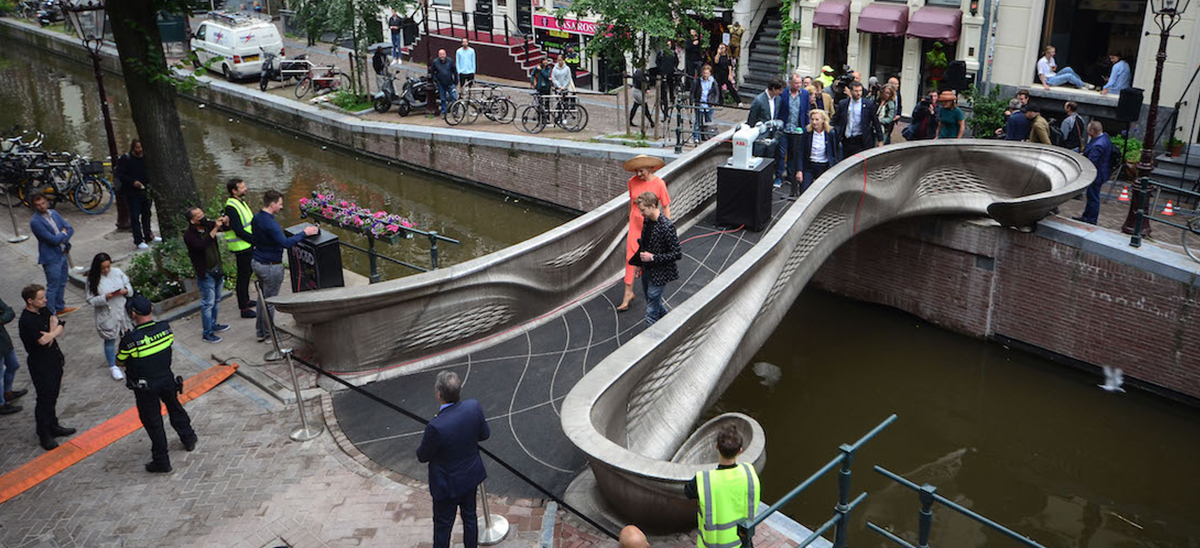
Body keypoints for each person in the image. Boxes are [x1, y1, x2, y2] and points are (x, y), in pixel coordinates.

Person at [117, 295, 197, 473]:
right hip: (167, 379)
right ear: (151, 309)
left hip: (145, 387)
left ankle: (162, 461)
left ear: (133, 314)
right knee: (175, 407)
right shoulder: (165, 328)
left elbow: (119, 361)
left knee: (153, 422)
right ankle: (189, 438)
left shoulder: (129, 340)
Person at [416, 370, 490, 548]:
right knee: (470, 517)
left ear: (439, 394)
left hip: (447, 485)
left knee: (443, 527)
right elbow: (484, 434)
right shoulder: (473, 407)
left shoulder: (436, 427)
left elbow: (422, 456)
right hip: (470, 477)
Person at [251, 190, 319, 342]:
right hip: (270, 266)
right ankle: (269, 334)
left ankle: (260, 331)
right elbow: (286, 243)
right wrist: (305, 232)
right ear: (273, 204)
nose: (281, 207)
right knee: (270, 301)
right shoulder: (271, 224)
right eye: (280, 204)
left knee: (262, 298)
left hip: (257, 262)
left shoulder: (257, 218)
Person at [684, 425, 761, 548]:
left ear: (717, 447)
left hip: (714, 545)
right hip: (742, 541)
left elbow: (688, 492)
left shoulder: (704, 480)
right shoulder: (749, 472)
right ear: (740, 450)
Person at [18, 284, 74, 450]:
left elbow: (60, 323)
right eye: (41, 298)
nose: (45, 300)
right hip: (40, 365)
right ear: (30, 301)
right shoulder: (26, 321)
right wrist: (52, 330)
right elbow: (43, 343)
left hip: (54, 360)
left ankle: (53, 425)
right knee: (44, 399)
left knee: (53, 395)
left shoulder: (43, 310)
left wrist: (51, 333)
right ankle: (44, 433)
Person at [618, 155, 671, 312]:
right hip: (635, 224)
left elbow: (666, 206)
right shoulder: (632, 182)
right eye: (636, 171)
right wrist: (629, 217)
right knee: (630, 258)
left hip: (651, 226)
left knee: (650, 259)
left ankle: (653, 294)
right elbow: (631, 201)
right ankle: (628, 293)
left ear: (649, 168)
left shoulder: (659, 184)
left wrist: (666, 227)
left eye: (641, 171)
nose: (638, 174)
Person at [183, 206, 231, 344]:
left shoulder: (208, 225)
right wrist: (215, 229)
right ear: (192, 221)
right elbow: (201, 246)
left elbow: (226, 229)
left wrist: (225, 222)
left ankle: (214, 324)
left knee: (216, 299)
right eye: (198, 216)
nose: (202, 217)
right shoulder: (189, 235)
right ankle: (207, 332)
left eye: (202, 213)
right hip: (206, 272)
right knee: (208, 303)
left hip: (217, 269)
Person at [633, 192, 680, 326]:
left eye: (643, 210)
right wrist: (639, 264)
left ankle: (652, 339)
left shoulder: (666, 226)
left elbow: (677, 253)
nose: (641, 213)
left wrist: (652, 257)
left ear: (653, 206)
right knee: (653, 301)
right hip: (647, 270)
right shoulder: (647, 221)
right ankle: (670, 324)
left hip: (660, 273)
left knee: (651, 310)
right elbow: (644, 244)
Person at [85, 252, 132, 381]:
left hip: (121, 309)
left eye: (108, 267)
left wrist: (126, 291)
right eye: (103, 268)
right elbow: (90, 300)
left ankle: (127, 357)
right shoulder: (92, 280)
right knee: (110, 339)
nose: (106, 270)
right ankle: (113, 365)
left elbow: (128, 286)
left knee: (127, 335)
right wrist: (104, 298)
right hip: (106, 312)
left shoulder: (117, 272)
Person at [28, 194, 77, 317]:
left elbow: (69, 228)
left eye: (43, 203)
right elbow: (52, 240)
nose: (41, 206)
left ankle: (60, 307)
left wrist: (62, 236)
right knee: (53, 286)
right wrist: (62, 234)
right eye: (38, 205)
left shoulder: (54, 213)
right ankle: (50, 313)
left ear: (47, 202)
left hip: (62, 253)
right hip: (51, 258)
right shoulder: (35, 222)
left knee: (62, 282)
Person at [115, 138, 160, 249]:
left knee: (147, 214)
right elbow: (120, 175)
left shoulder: (146, 158)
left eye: (141, 147)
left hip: (145, 190)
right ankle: (138, 240)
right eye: (137, 148)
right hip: (132, 193)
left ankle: (148, 235)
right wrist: (132, 182)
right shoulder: (126, 159)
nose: (140, 150)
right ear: (133, 148)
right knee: (135, 216)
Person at [223, 178, 256, 319]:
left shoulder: (239, 202)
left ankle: (246, 300)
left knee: (247, 273)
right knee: (243, 277)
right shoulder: (231, 207)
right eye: (242, 187)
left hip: (246, 245)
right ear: (234, 191)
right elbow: (238, 230)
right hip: (242, 246)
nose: (245, 189)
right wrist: (255, 240)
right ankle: (243, 308)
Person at [777, 72, 811, 188]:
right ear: (790, 83)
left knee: (794, 153)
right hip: (785, 129)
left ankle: (791, 176)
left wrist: (807, 126)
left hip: (797, 130)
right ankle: (779, 176)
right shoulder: (784, 94)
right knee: (781, 153)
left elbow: (806, 111)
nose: (798, 85)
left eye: (800, 83)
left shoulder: (805, 94)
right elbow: (780, 109)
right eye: (796, 83)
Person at [796, 109, 842, 196]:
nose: (814, 122)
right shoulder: (807, 133)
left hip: (824, 166)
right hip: (809, 166)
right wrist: (799, 170)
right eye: (812, 119)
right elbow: (801, 152)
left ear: (823, 120)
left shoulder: (830, 134)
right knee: (804, 192)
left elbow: (835, 152)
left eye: (817, 119)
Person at [1075, 121, 1112, 225]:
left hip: (1097, 175)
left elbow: (1091, 162)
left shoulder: (1098, 145)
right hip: (1102, 172)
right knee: (1092, 195)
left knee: (1093, 197)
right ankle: (1086, 216)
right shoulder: (1105, 137)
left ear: (1092, 131)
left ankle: (1091, 219)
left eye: (1088, 129)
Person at [833, 81, 881, 157]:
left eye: (860, 91)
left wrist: (880, 139)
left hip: (861, 139)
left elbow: (875, 122)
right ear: (851, 91)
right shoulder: (843, 104)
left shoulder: (868, 104)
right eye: (856, 91)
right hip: (847, 139)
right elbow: (835, 119)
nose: (858, 93)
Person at [0, 297, 28, 416]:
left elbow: (9, 311)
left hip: (3, 340)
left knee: (13, 365)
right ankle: (1, 404)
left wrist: (1, 320)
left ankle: (7, 392)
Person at [691, 64, 721, 143]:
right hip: (700, 103)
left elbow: (716, 93)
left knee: (709, 121)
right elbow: (693, 92)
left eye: (707, 73)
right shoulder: (697, 81)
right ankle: (696, 137)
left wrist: (714, 102)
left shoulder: (713, 82)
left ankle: (708, 136)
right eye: (704, 73)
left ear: (710, 73)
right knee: (697, 121)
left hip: (709, 104)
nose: (705, 75)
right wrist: (692, 102)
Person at [656, 40, 680, 115]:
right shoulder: (661, 53)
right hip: (663, 71)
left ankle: (671, 97)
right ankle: (663, 99)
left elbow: (676, 61)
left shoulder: (673, 53)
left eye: (669, 44)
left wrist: (673, 68)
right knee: (663, 86)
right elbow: (657, 61)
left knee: (671, 85)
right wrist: (660, 68)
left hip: (670, 71)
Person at [431, 49, 457, 115]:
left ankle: (455, 111)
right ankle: (444, 112)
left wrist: (455, 81)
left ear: (445, 54)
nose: (442, 56)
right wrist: (435, 80)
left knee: (454, 97)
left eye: (443, 54)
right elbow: (432, 72)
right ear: (438, 55)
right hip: (441, 83)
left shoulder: (450, 61)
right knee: (443, 99)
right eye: (440, 54)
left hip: (450, 83)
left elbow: (454, 71)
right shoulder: (435, 62)